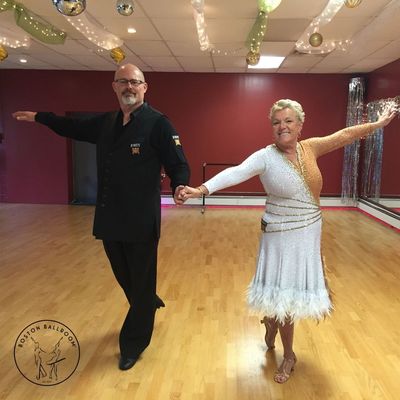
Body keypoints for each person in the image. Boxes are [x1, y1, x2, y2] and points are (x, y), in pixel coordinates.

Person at [180, 99, 397, 383]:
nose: (282, 126)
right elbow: (237, 172)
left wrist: (378, 125)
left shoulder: (311, 147)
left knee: (289, 296)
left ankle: (271, 324)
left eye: (288, 121)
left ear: (299, 125)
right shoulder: (265, 156)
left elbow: (344, 136)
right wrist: (201, 189)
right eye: (276, 122)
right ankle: (289, 353)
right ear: (272, 127)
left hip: (308, 233)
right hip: (280, 235)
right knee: (282, 295)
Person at [13, 64, 190, 371]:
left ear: (145, 87)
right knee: (123, 274)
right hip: (109, 215)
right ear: (114, 87)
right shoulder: (106, 123)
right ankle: (146, 299)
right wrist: (40, 118)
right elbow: (72, 127)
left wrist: (179, 185)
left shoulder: (158, 123)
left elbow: (177, 161)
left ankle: (133, 343)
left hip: (140, 218)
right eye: (123, 81)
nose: (129, 87)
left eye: (135, 82)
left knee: (140, 278)